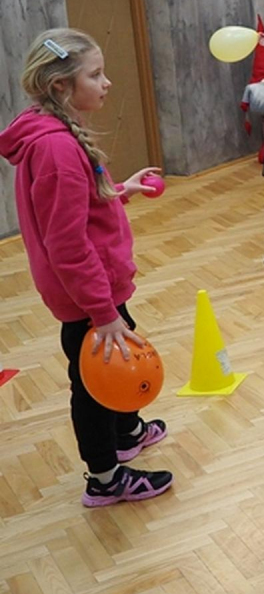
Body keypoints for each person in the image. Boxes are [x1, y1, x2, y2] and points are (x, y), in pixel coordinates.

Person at [1, 29, 171, 507]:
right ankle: (104, 477)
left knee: (118, 360)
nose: (106, 83)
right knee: (95, 382)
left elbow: (79, 208)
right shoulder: (55, 149)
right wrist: (102, 312)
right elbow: (67, 245)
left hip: (96, 289)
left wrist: (119, 191)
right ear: (60, 86)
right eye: (95, 75)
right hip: (87, 295)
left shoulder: (55, 132)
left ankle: (126, 432)